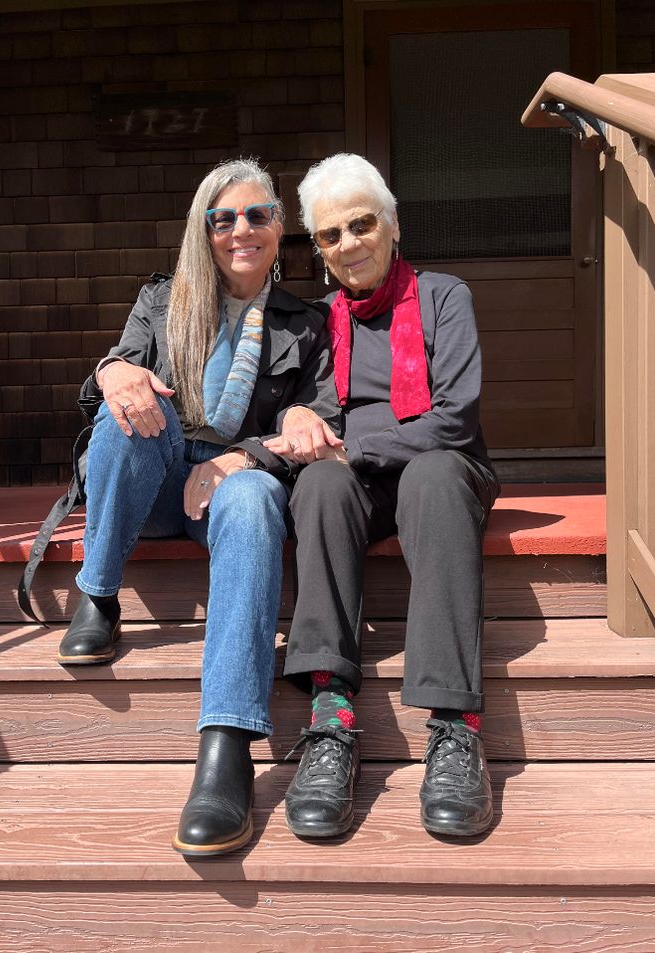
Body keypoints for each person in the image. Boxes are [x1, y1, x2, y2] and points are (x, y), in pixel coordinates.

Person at [58, 158, 340, 858]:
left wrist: (244, 456)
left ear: (280, 226)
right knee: (133, 407)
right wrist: (112, 370)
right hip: (153, 483)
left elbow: (323, 419)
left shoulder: (308, 325)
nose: (241, 229)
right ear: (203, 230)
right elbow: (116, 376)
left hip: (230, 484)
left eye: (257, 215)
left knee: (252, 498)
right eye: (224, 218)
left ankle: (226, 751)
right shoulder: (161, 301)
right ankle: (98, 591)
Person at [265, 153, 500, 839]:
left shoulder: (442, 297)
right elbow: (298, 412)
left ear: (392, 225)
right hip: (354, 483)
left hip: (443, 473)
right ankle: (330, 717)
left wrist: (356, 445)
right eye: (330, 235)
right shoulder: (315, 322)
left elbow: (456, 417)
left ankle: (455, 727)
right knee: (319, 482)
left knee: (429, 473)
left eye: (361, 224)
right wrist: (297, 426)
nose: (348, 244)